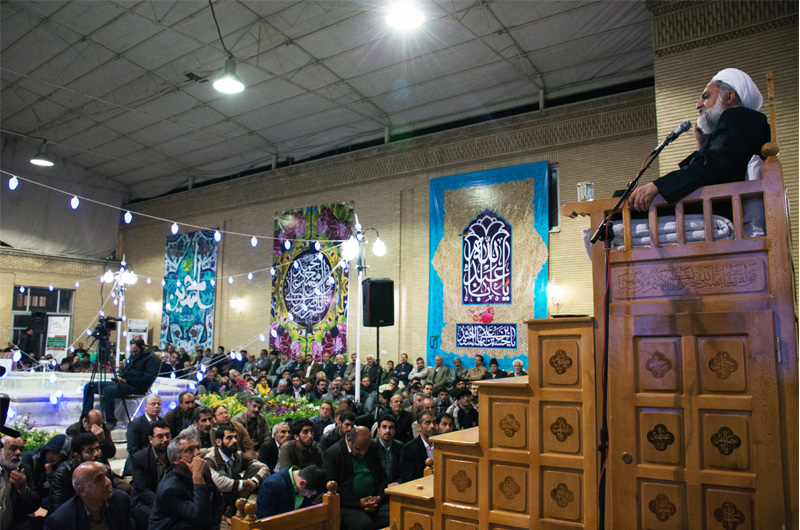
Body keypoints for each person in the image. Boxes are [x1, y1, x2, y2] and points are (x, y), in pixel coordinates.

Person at [629, 68, 771, 212]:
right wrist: (703, 146)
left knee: (626, 202)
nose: (698, 105)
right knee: (627, 198)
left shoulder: (739, 116)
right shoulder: (738, 125)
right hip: (711, 204)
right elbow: (718, 165)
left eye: (705, 97)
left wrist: (658, 186)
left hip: (714, 208)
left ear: (729, 97)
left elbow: (713, 164)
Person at [148, 433, 225, 530]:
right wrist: (197, 478)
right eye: (189, 450)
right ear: (175, 459)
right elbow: (200, 517)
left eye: (197, 448)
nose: (197, 453)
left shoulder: (203, 470)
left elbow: (218, 500)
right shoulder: (169, 489)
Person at [81, 338, 160, 428]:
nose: (133, 353)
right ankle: (87, 418)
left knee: (108, 390)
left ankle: (110, 422)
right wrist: (120, 377)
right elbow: (126, 371)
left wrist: (127, 381)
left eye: (135, 351)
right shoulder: (134, 356)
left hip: (137, 387)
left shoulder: (152, 359)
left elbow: (146, 380)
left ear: (142, 347)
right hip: (124, 382)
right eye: (132, 351)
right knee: (89, 386)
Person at [323, 426, 390, 530]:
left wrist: (379, 497)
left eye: (365, 449)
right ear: (349, 440)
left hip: (374, 500)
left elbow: (382, 476)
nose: (363, 453)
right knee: (364, 525)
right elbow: (333, 490)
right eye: (358, 449)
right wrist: (358, 503)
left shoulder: (371, 447)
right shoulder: (333, 454)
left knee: (395, 515)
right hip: (348, 504)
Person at [44, 461, 131, 530]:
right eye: (98, 479)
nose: (108, 482)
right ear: (82, 490)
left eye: (106, 475)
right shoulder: (61, 521)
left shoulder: (120, 500)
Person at [204, 424, 268, 517]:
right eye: (229, 438)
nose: (234, 441)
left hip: (239, 493)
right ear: (218, 442)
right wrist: (244, 484)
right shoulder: (210, 459)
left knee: (256, 469)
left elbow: (264, 468)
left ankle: (241, 508)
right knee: (221, 474)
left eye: (235, 437)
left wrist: (252, 483)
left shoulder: (239, 455)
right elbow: (218, 482)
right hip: (218, 500)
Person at [48, 432, 114, 515]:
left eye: (97, 449)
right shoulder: (63, 473)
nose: (96, 454)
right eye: (90, 451)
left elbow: (112, 499)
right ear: (77, 456)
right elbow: (58, 508)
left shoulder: (105, 469)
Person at [130, 420, 172, 530]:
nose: (165, 440)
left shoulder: (175, 456)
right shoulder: (139, 458)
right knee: (161, 520)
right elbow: (142, 490)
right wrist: (162, 505)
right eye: (160, 437)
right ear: (150, 439)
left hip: (169, 500)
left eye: (167, 436)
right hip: (144, 501)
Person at [255, 464, 327, 519]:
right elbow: (265, 519)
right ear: (302, 483)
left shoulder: (307, 482)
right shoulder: (271, 486)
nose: (309, 497)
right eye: (309, 494)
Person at [21, 433, 71, 512]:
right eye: (54, 453)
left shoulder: (57, 464)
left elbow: (57, 489)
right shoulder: (30, 459)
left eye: (60, 456)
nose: (55, 458)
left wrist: (50, 474)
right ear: (47, 449)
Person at [0, 435, 40, 530]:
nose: (18, 453)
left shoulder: (24, 469)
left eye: (21, 449)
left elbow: (34, 505)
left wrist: (23, 489)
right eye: (13, 448)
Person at [124, 394, 162, 476]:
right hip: (140, 461)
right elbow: (133, 449)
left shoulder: (163, 422)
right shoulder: (135, 424)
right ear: (145, 406)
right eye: (153, 404)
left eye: (158, 404)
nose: (157, 406)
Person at [400, 410, 436, 483]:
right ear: (419, 427)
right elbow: (408, 478)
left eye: (434, 422)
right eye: (428, 423)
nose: (432, 426)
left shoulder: (441, 446)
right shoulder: (409, 449)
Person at [372, 414, 402, 486]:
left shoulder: (400, 446)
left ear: (394, 431)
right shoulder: (371, 446)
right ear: (378, 430)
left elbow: (402, 471)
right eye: (384, 427)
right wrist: (385, 486)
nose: (387, 431)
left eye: (391, 428)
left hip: (396, 485)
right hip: (377, 487)